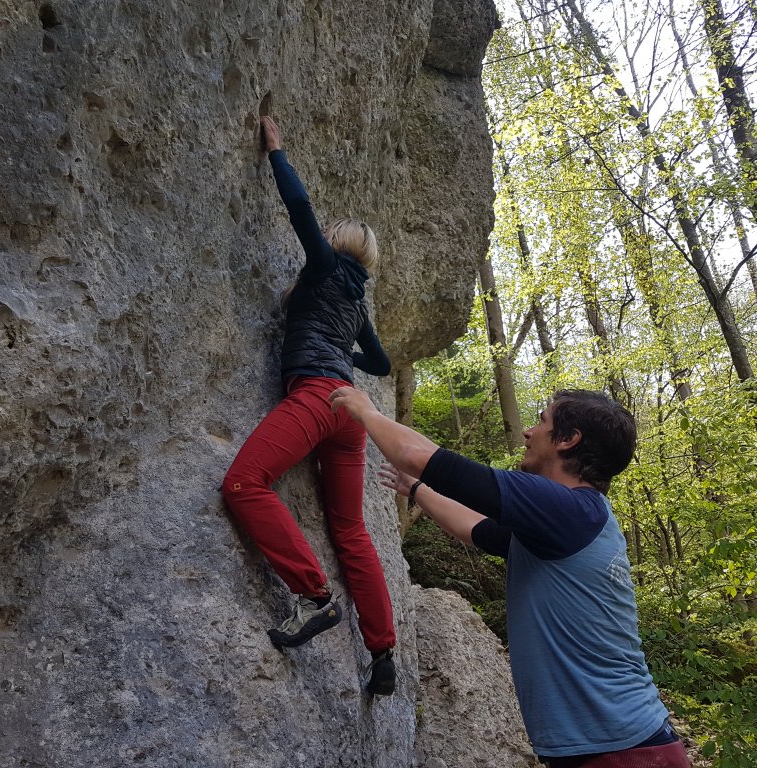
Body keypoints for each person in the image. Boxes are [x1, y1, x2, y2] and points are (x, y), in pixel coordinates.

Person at [328, 386, 691, 766]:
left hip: (625, 750)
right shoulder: (567, 521)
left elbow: (417, 456)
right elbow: (474, 529)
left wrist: (367, 411)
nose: (528, 432)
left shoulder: (566, 509)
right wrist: (416, 489)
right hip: (613, 744)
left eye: (541, 421)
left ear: (568, 440)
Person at [221, 116, 397, 696]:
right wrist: (341, 347)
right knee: (351, 530)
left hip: (318, 395)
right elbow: (381, 366)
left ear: (335, 241)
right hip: (350, 411)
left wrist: (276, 152)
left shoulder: (323, 269)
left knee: (244, 483)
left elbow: (298, 209)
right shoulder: (356, 302)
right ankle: (383, 654)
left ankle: (315, 596)